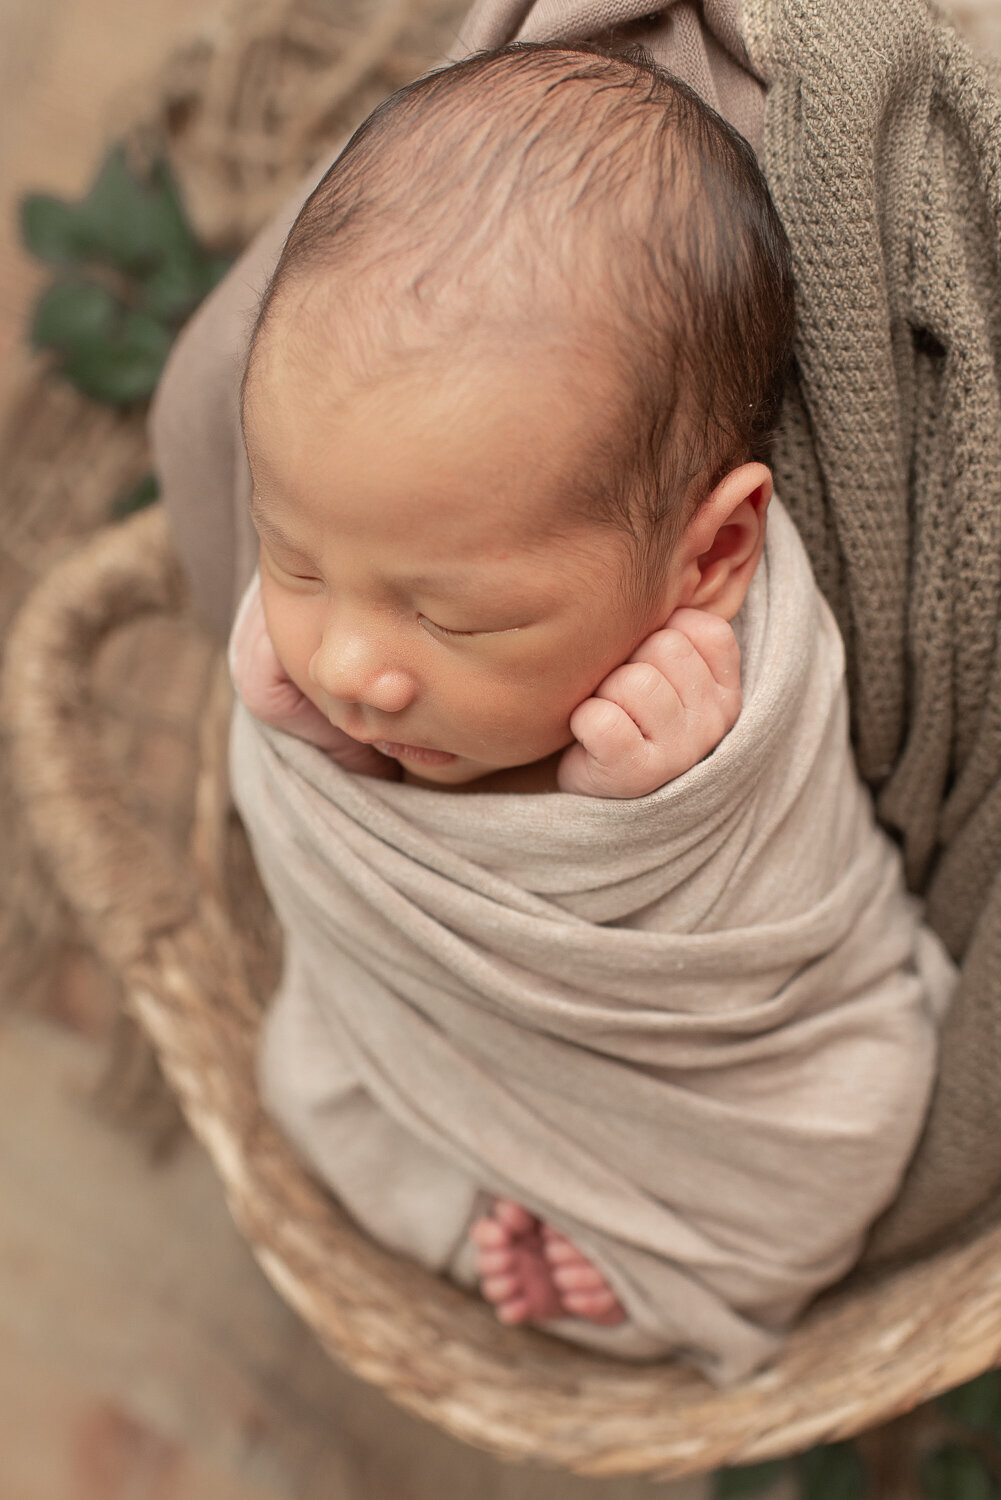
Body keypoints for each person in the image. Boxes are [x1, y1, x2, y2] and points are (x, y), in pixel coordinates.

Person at [224, 40, 955, 1382]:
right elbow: (316, 834)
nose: (353, 668)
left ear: (710, 557)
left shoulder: (738, 678)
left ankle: (625, 1244)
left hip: (700, 1082)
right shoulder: (342, 612)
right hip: (414, 1012)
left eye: (459, 621)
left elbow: (792, 926)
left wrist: (665, 812)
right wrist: (302, 737)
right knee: (307, 1084)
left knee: (858, 1112)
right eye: (297, 559)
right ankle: (502, 1206)